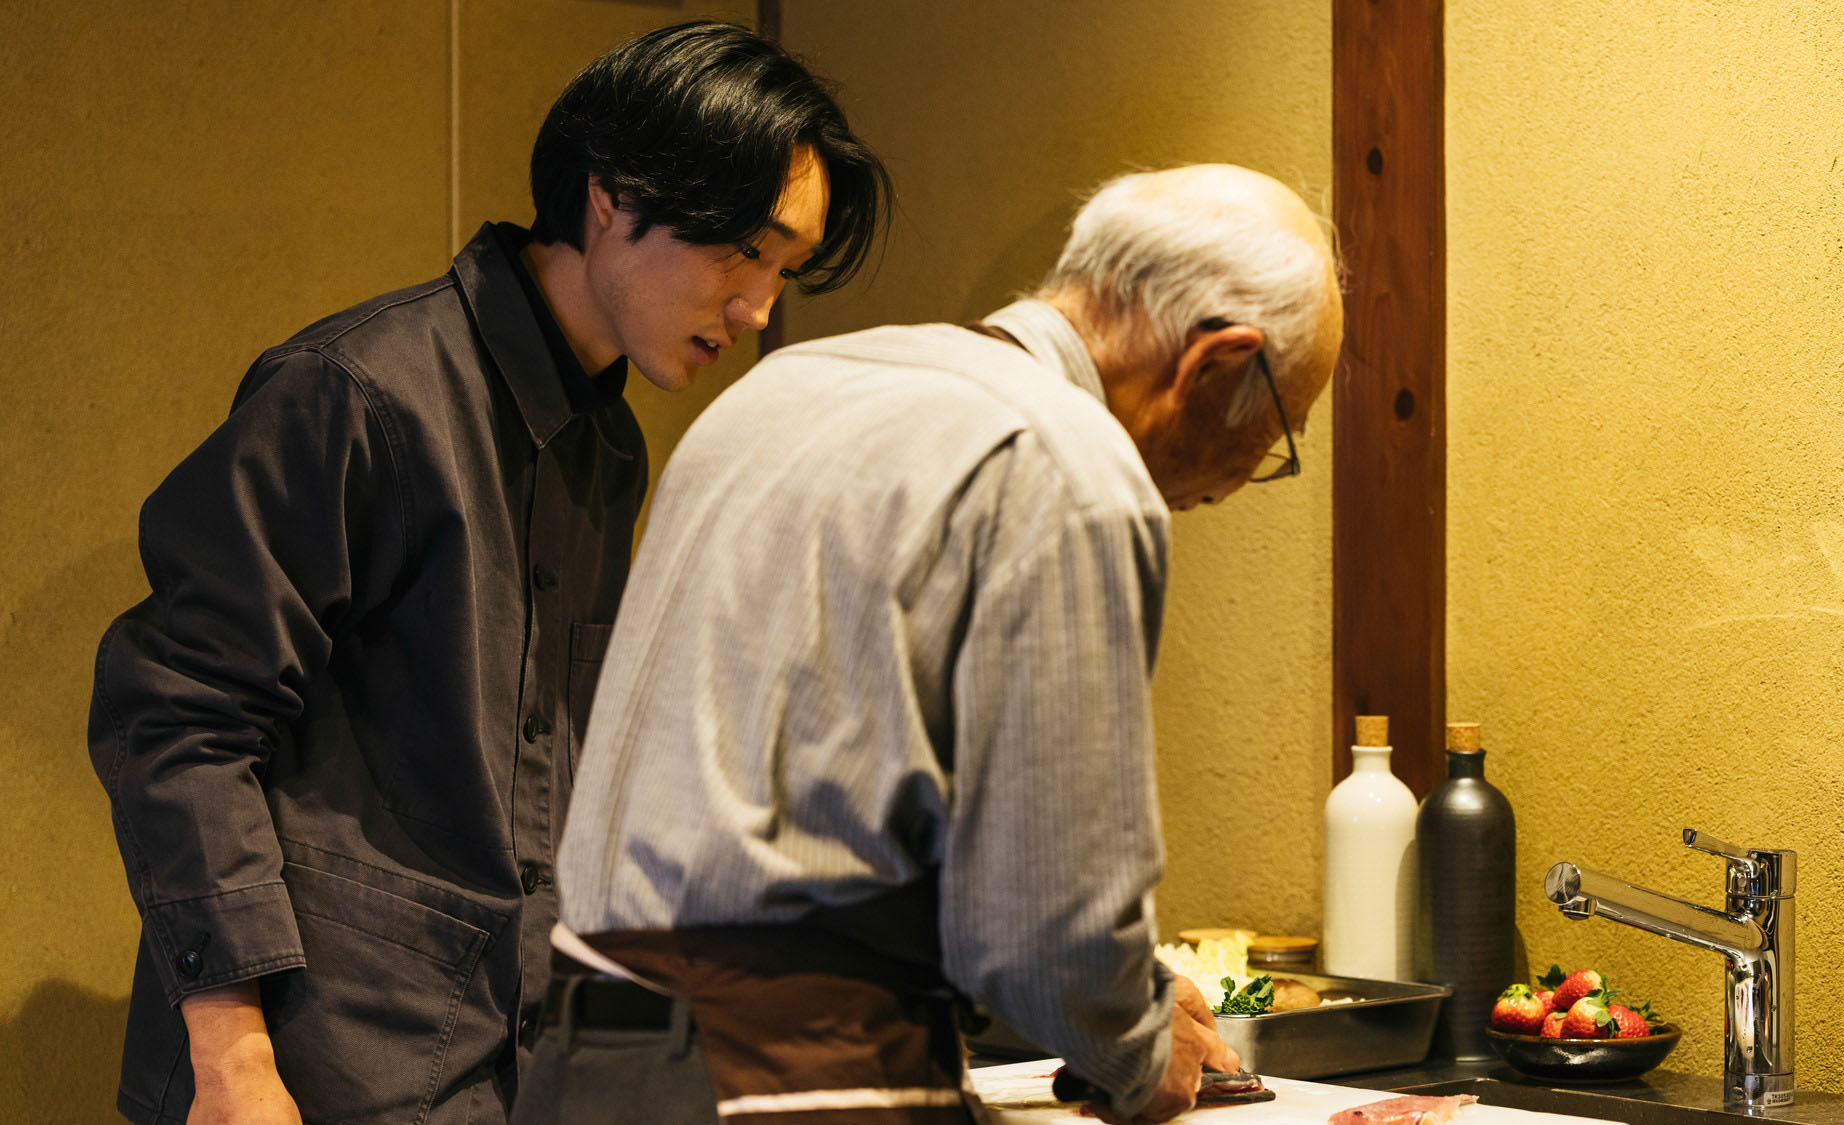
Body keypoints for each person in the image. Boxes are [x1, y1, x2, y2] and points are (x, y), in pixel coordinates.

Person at [86, 21, 887, 1125]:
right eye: (741, 250)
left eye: (783, 270)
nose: (756, 310)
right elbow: (175, 717)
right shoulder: (359, 395)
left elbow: (546, 785)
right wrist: (230, 1063)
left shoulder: (608, 451)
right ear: (611, 196)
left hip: (493, 1066)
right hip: (309, 1071)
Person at [527, 164, 1343, 1125]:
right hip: (793, 1078)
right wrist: (1136, 1041)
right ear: (1214, 365)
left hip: (581, 1058)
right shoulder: (1068, 465)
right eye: (1280, 426)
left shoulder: (783, 389)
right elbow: (1047, 927)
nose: (1246, 475)